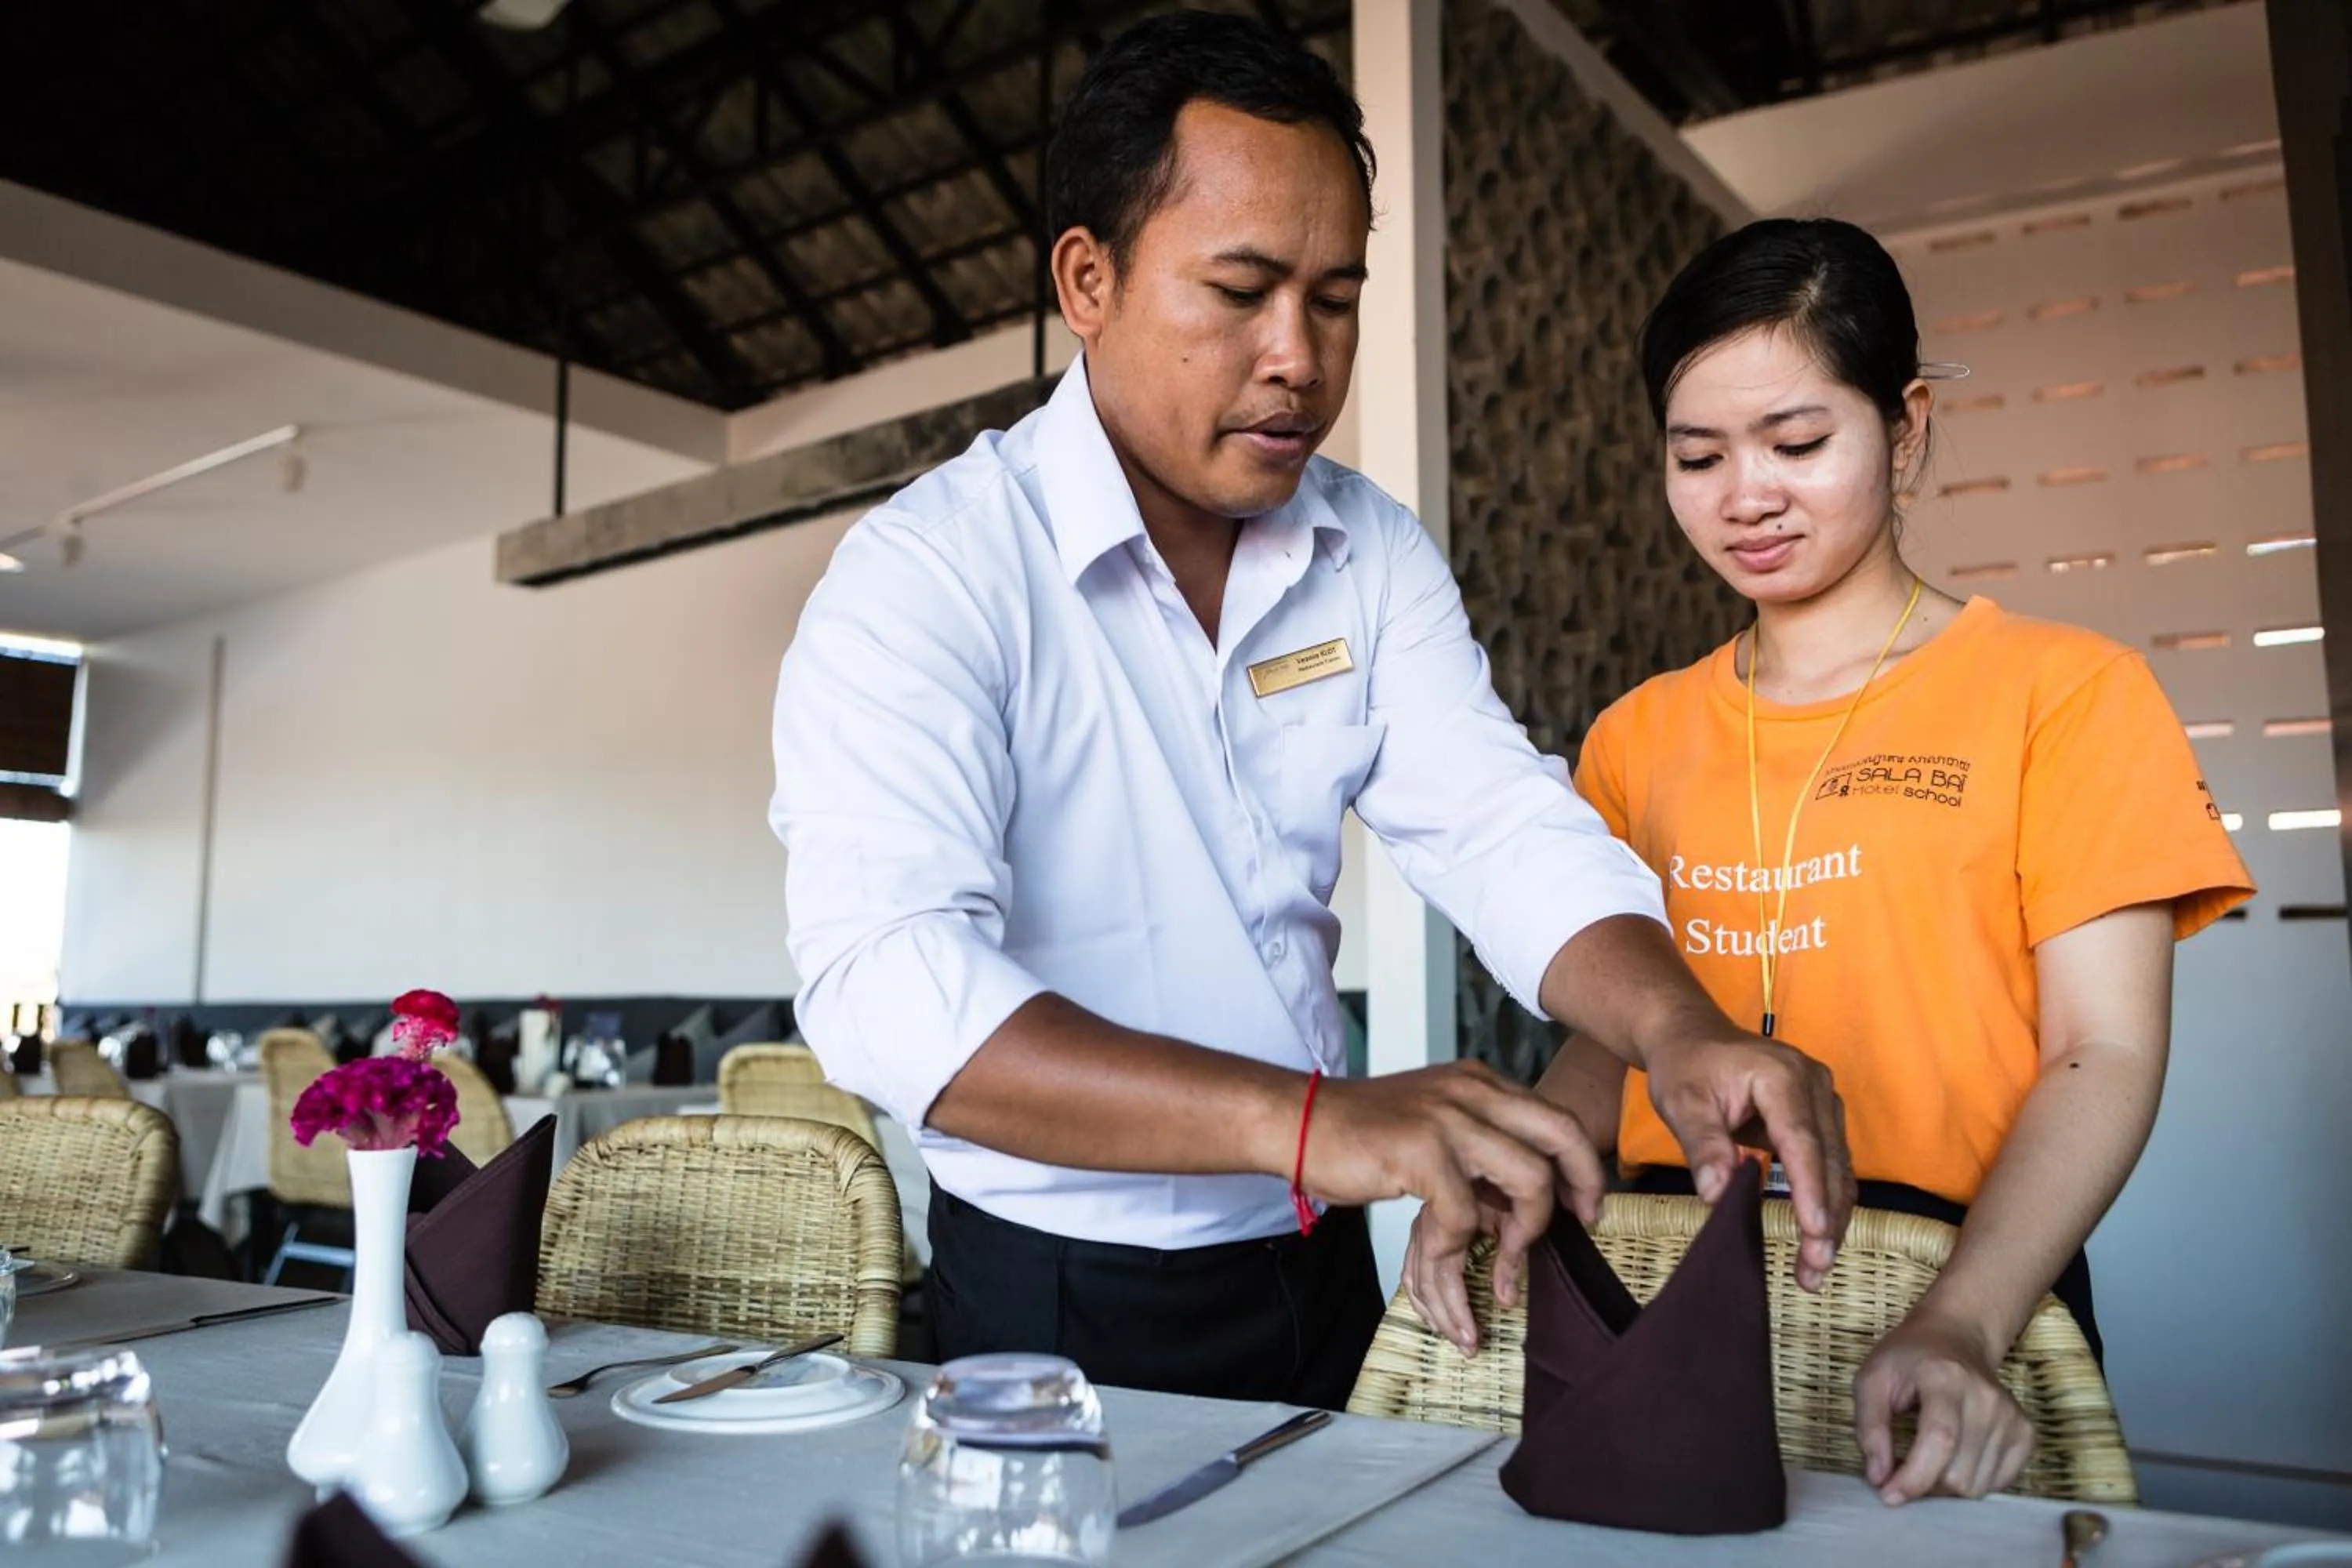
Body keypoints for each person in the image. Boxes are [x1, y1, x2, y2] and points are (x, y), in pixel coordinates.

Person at [768, 13, 1853, 1410]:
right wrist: (1313, 1122)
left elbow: (1497, 824)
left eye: (1334, 300)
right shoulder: (934, 573)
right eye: (1240, 292)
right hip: (1055, 1285)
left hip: (1314, 1262)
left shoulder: (1365, 550)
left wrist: (1677, 1029)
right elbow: (891, 989)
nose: (1298, 356)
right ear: (1088, 280)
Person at [1408, 216, 2252, 1499]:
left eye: (1797, 444)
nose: (1745, 496)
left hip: (1962, 1278)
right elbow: (1610, 1043)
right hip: (1661, 1278)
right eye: (1699, 456)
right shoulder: (1639, 733)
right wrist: (1521, 1165)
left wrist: (1965, 1319)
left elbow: (2107, 1050)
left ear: (1905, 428)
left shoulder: (2066, 695)